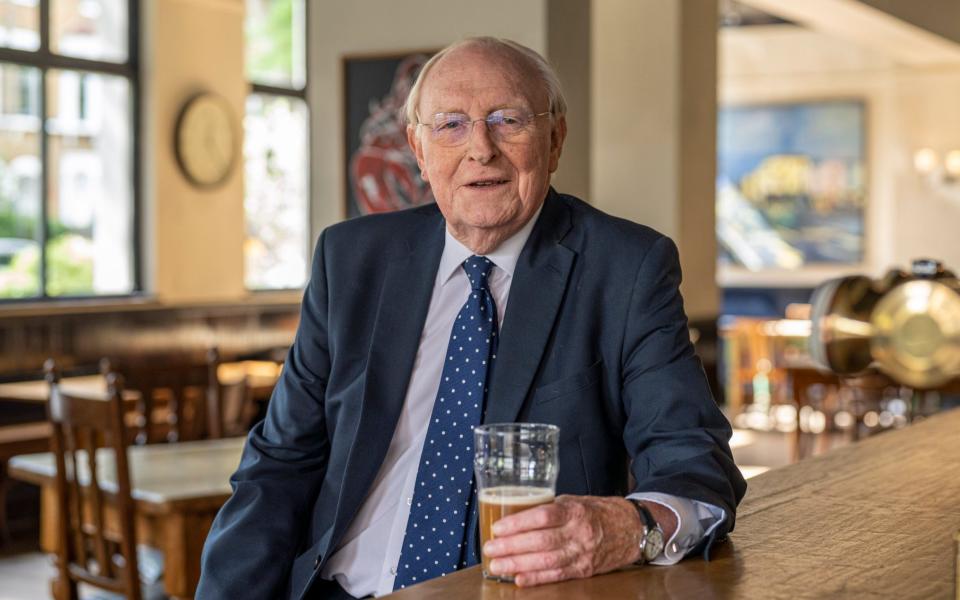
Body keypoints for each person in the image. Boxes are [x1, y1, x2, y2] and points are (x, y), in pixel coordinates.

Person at [198, 37, 746, 600]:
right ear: (418, 146)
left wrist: (632, 529)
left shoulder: (626, 269)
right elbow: (278, 466)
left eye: (508, 120)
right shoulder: (351, 259)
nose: (480, 149)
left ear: (555, 139)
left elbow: (695, 469)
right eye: (451, 125)